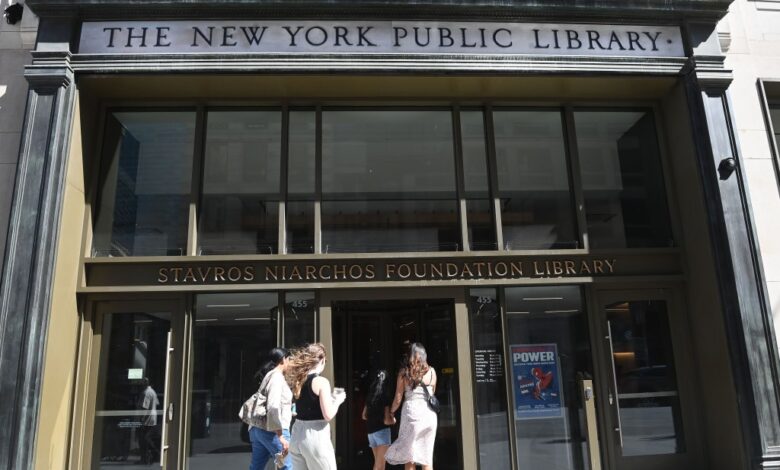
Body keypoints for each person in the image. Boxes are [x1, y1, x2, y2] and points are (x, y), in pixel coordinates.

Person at [286, 343, 346, 470]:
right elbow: (328, 415)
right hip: (315, 435)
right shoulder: (321, 382)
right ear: (323, 360)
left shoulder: (298, 380)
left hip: (297, 434)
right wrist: (337, 400)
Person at [385, 342, 438, 470]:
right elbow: (432, 393)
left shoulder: (404, 373)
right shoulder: (432, 372)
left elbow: (398, 398)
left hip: (412, 415)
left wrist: (391, 412)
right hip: (430, 416)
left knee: (409, 458)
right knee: (427, 457)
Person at [249, 348, 293, 470]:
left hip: (258, 428)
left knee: (256, 467)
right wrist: (280, 435)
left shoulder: (269, 375)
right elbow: (273, 406)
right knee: (288, 466)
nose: (290, 363)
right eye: (289, 359)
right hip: (273, 431)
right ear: (283, 359)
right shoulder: (277, 377)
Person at [362, 369, 395, 470]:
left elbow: (364, 416)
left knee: (377, 465)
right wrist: (393, 420)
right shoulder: (385, 397)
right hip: (382, 432)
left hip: (371, 432)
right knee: (380, 466)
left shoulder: (370, 397)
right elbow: (386, 420)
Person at [137, 377, 159, 465]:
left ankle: (145, 458)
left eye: (141, 384)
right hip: (153, 418)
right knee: (148, 438)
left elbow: (144, 407)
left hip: (147, 419)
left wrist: (141, 419)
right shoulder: (153, 391)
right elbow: (157, 403)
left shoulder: (146, 393)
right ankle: (151, 456)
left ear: (145, 384)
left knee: (144, 439)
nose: (140, 386)